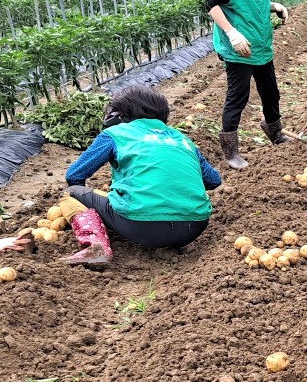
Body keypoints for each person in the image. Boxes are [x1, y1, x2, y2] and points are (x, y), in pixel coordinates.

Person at [60, 84, 222, 267]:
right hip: (195, 226)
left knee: (70, 193)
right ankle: (182, 242)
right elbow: (214, 180)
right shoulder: (182, 140)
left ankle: (96, 245)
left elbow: (74, 175)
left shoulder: (115, 133)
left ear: (120, 115)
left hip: (141, 226)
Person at [205, 0, 290, 170]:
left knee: (270, 92)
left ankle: (275, 133)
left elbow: (254, 0)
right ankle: (230, 152)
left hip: (261, 44)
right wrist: (232, 32)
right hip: (240, 48)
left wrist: (274, 6)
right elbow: (212, 5)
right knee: (238, 97)